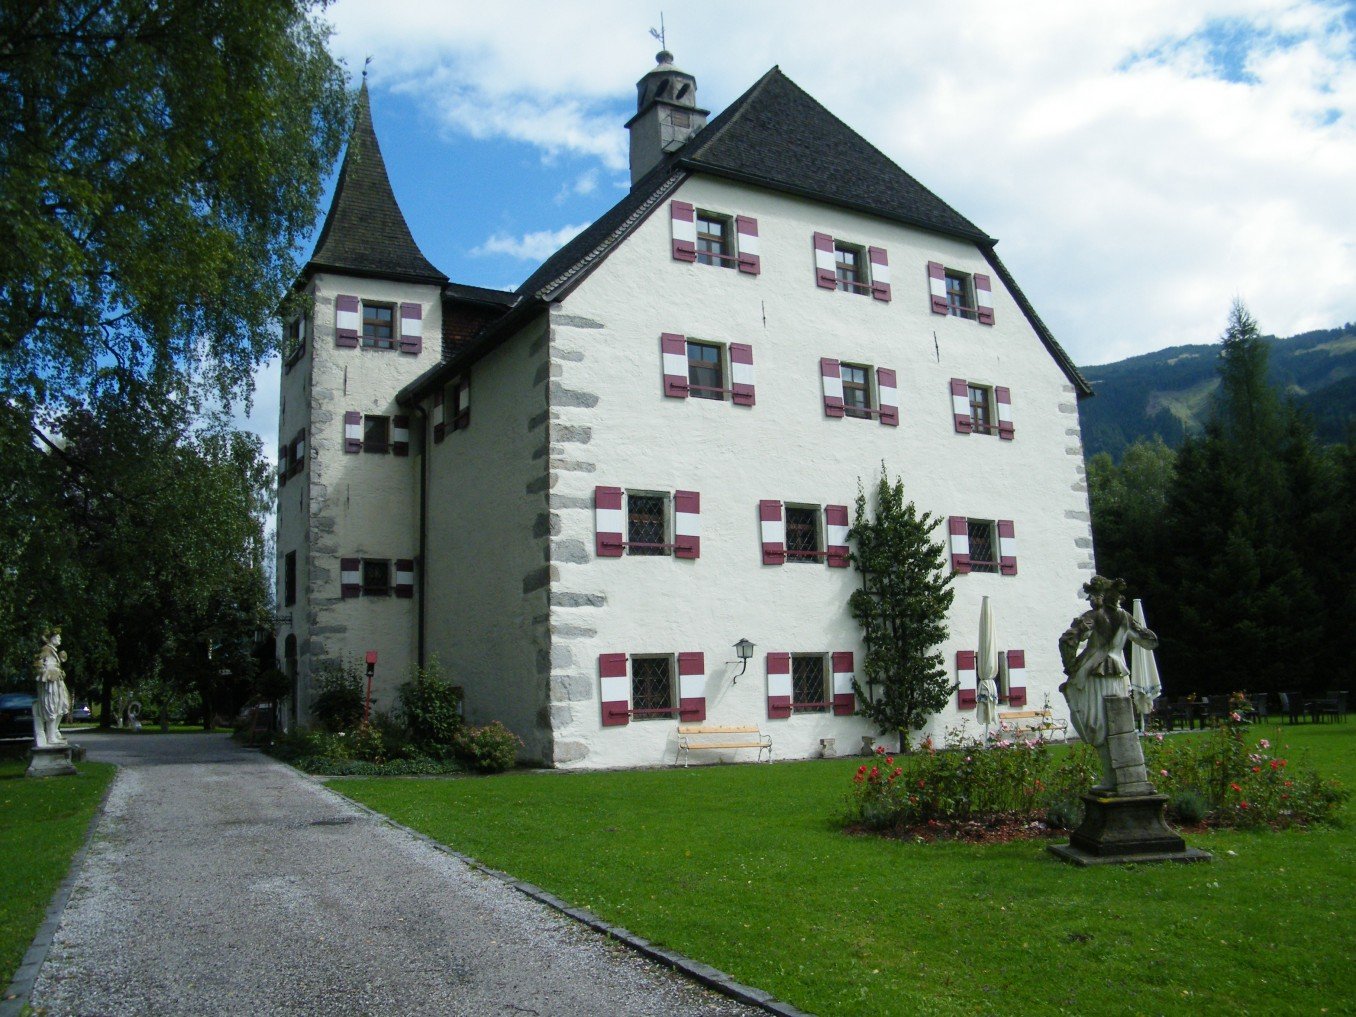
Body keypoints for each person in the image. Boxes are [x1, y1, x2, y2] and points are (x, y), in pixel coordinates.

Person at [1058, 576, 1157, 790]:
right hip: (1118, 675)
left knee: (1096, 723)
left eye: (1095, 594)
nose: (1092, 598)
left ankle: (1112, 778)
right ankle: (1123, 778)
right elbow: (1149, 641)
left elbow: (1067, 640)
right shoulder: (1125, 618)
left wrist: (1070, 665)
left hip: (1093, 676)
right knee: (1117, 724)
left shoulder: (1091, 617)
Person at [33, 629, 71, 748]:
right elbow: (38, 664)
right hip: (50, 683)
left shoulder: (53, 650)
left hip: (57, 681)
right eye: (57, 637)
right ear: (51, 639)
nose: (60, 639)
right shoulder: (46, 649)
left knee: (63, 705)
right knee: (52, 706)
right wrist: (46, 673)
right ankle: (51, 736)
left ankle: (54, 731)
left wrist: (59, 671)